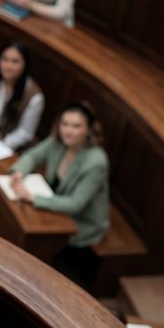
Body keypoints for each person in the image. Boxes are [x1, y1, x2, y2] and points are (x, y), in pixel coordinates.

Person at [10, 102, 109, 290]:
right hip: (56, 207)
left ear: (89, 130)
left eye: (76, 126)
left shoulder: (97, 162)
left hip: (80, 223)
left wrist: (33, 198)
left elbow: (75, 204)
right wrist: (19, 172)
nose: (68, 131)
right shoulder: (57, 141)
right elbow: (33, 156)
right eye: (65, 124)